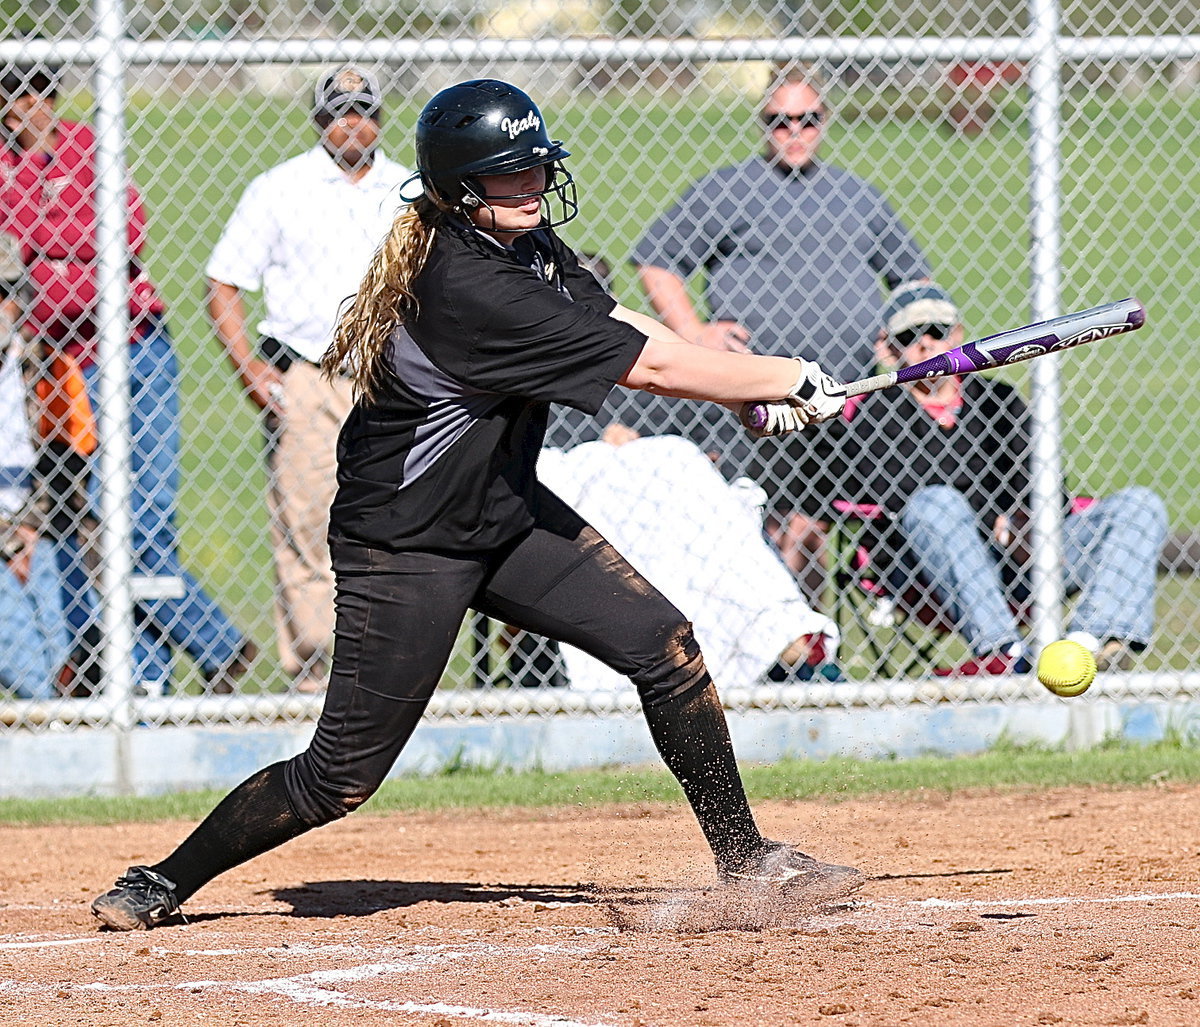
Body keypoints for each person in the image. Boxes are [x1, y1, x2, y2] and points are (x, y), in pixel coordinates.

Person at [91, 78, 859, 931]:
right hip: (407, 544)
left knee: (663, 643)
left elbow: (628, 326)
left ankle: (747, 862)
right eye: (509, 173)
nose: (532, 183)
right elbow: (650, 370)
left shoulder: (525, 248)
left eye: (538, 165)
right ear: (460, 189)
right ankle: (159, 880)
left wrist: (750, 392)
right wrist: (783, 376)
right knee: (337, 776)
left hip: (503, 514)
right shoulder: (467, 286)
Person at [0, 62, 256, 694]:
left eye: (34, 92)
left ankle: (214, 648)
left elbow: (123, 232)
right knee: (68, 521)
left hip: (132, 348)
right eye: (10, 95)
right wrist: (66, 243)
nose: (21, 108)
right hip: (55, 365)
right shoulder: (3, 167)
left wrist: (36, 245)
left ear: (51, 97)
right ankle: (145, 683)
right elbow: (71, 246)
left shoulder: (88, 146)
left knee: (141, 526)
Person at [631, 63, 932, 600]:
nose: (794, 132)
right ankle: (767, 644)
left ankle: (806, 658)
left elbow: (915, 280)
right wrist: (695, 333)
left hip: (844, 392)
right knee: (758, 518)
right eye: (780, 120)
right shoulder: (727, 190)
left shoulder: (857, 196)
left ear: (826, 121)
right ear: (762, 123)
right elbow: (657, 262)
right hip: (756, 391)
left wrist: (900, 336)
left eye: (808, 119)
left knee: (810, 525)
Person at [818, 281, 1167, 676]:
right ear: (888, 348)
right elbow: (902, 501)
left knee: (1139, 506)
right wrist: (998, 525)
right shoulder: (875, 414)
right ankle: (1007, 653)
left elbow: (1044, 485)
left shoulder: (997, 401)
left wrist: (1028, 525)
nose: (927, 344)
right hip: (930, 573)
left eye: (938, 332)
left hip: (1026, 555)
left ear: (958, 336)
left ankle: (1084, 645)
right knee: (937, 504)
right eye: (910, 336)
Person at [206, 66, 411, 693]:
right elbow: (223, 282)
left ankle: (387, 658)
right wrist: (249, 368)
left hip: (391, 374)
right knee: (305, 518)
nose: (352, 122)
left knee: (397, 514)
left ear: (382, 116)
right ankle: (317, 667)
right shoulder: (280, 188)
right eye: (338, 111)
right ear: (318, 119)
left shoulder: (409, 190)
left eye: (364, 109)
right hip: (308, 372)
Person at [538, 428, 841, 690]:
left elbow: (716, 434)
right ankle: (776, 631)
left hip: (675, 472)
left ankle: (771, 627)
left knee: (675, 459)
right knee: (651, 465)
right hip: (587, 467)